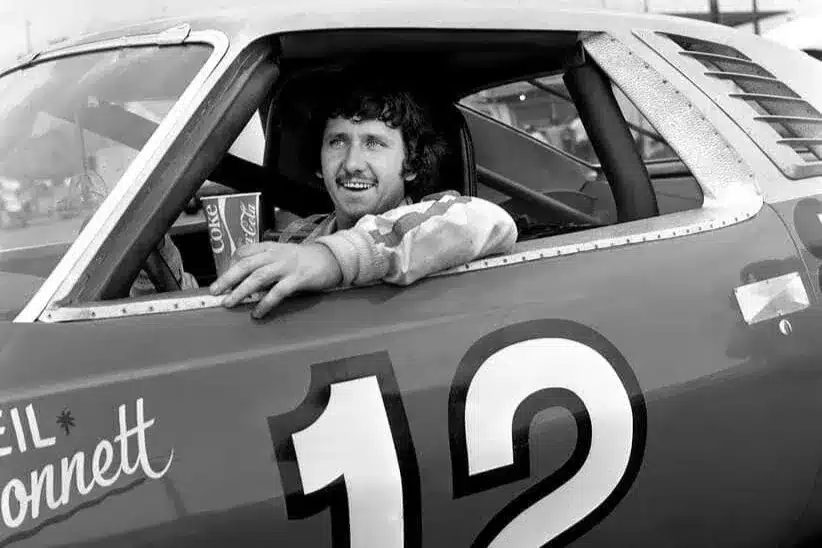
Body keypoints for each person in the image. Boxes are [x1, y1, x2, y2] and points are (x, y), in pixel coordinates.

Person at [209, 82, 517, 318]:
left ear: (410, 165)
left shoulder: (439, 218)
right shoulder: (296, 240)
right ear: (318, 161)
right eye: (337, 141)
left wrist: (331, 259)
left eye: (374, 143)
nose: (352, 162)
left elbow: (490, 220)